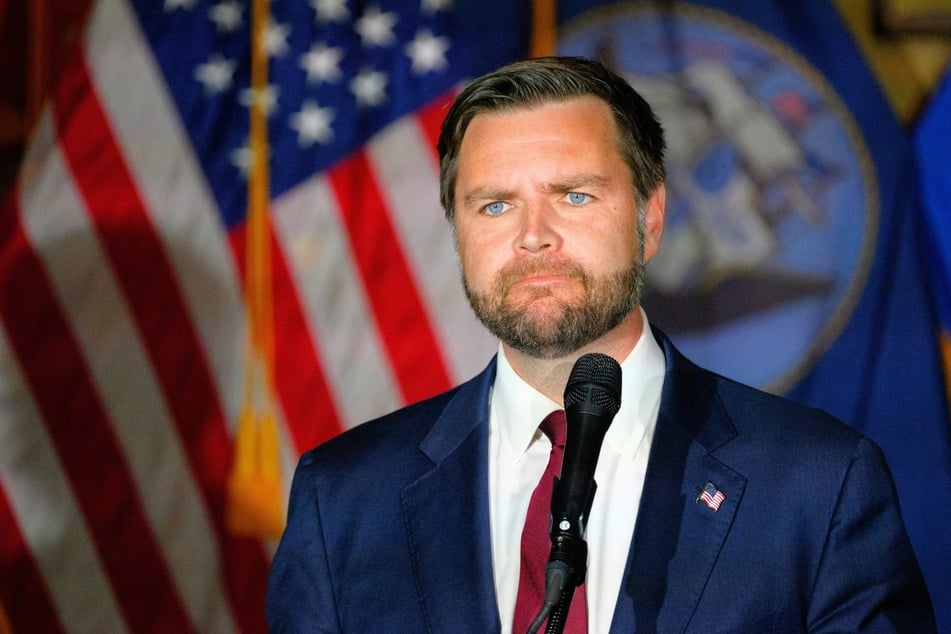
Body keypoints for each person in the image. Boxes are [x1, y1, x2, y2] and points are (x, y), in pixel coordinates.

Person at [265, 56, 935, 633]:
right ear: (457, 233)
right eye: (493, 205)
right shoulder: (346, 499)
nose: (533, 236)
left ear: (649, 219)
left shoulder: (818, 485)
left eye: (574, 196)